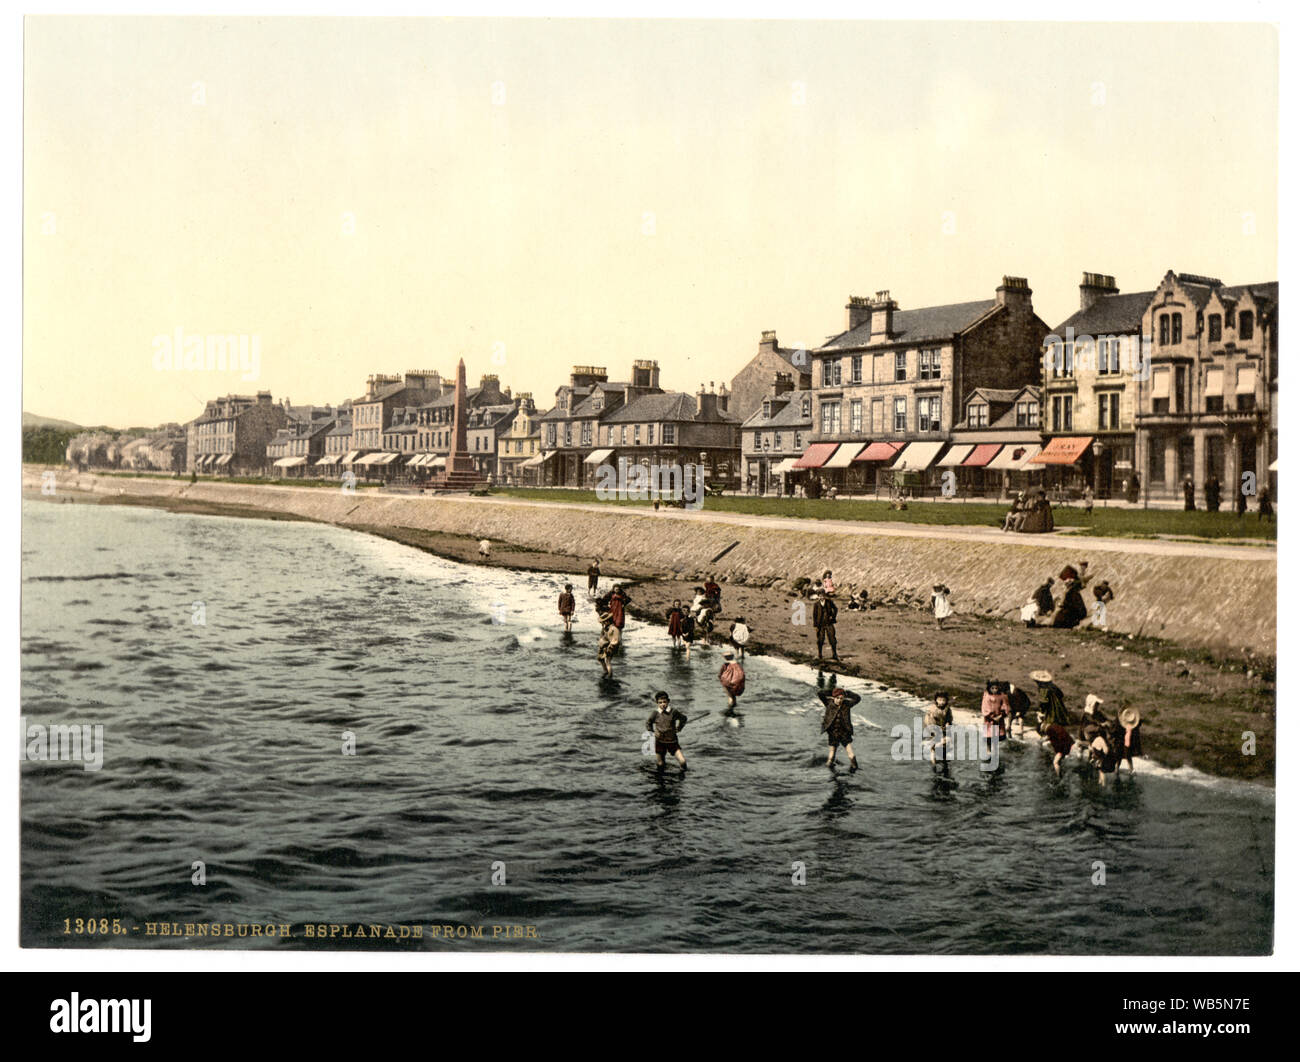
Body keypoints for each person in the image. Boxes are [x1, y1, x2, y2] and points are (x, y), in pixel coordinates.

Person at [818, 685, 861, 771]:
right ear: (833, 697)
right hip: (833, 732)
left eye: (841, 698)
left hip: (844, 732)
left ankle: (854, 767)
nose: (839, 700)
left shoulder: (847, 704)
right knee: (832, 753)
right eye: (837, 698)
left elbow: (858, 698)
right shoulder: (828, 703)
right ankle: (828, 769)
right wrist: (833, 691)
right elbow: (820, 693)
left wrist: (847, 692)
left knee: (850, 752)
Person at [646, 691, 688, 771]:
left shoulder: (673, 712)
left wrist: (679, 728)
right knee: (660, 764)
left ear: (668, 701)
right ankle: (661, 780)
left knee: (683, 761)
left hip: (672, 741)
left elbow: (683, 718)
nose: (663, 704)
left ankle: (684, 779)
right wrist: (652, 732)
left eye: (664, 702)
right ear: (657, 703)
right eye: (660, 702)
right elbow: (648, 723)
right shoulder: (655, 713)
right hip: (660, 741)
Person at [1037, 711, 1074, 777]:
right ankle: (1062, 772)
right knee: (1059, 760)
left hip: (1064, 746)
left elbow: (1054, 741)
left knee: (1055, 762)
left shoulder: (1049, 730)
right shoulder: (1053, 726)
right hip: (1069, 742)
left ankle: (1059, 778)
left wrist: (1058, 751)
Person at [924, 691, 953, 766]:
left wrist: (948, 723)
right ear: (936, 700)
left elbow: (949, 718)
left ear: (946, 701)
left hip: (943, 727)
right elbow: (931, 722)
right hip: (932, 728)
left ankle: (944, 759)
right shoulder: (933, 710)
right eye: (939, 700)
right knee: (934, 746)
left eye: (943, 700)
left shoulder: (947, 709)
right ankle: (933, 761)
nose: (941, 702)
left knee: (945, 744)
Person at [981, 680, 1010, 748]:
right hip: (989, 720)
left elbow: (1005, 706)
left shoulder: (1001, 696)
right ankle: (988, 751)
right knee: (988, 736)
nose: (994, 690)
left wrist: (1001, 715)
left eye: (996, 688)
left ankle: (994, 750)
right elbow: (985, 707)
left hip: (999, 719)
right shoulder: (987, 696)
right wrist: (991, 716)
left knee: (996, 736)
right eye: (992, 688)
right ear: (989, 688)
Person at [813, 590, 840, 662]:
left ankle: (834, 654)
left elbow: (836, 609)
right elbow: (814, 615)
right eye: (820, 596)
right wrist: (815, 625)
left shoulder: (829, 602)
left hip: (829, 623)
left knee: (832, 639)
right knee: (820, 640)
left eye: (822, 595)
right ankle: (820, 654)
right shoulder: (816, 604)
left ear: (824, 595)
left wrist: (833, 617)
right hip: (820, 625)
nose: (821, 597)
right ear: (818, 596)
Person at [1117, 705, 1143, 774]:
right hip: (1126, 743)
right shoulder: (1132, 729)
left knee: (1120, 755)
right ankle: (1130, 769)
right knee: (1127, 756)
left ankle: (1117, 768)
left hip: (1122, 741)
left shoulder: (1121, 725)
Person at [596, 611, 621, 677]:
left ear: (608, 621)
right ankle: (605, 671)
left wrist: (609, 647)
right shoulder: (605, 628)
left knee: (608, 661)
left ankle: (610, 675)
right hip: (604, 645)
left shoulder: (614, 629)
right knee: (600, 658)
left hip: (610, 647)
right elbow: (603, 636)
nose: (603, 623)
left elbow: (615, 640)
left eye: (604, 622)